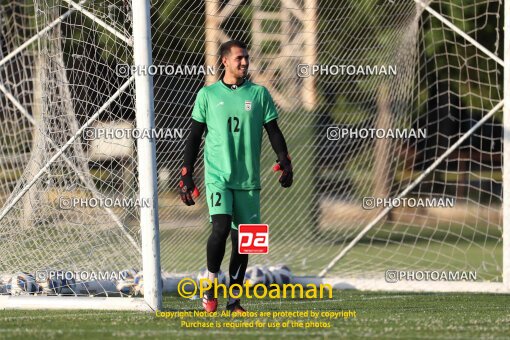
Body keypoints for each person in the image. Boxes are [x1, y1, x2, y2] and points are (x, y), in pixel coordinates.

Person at [179, 40, 293, 313]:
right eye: (239, 58)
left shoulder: (259, 94)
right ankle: (209, 284)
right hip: (218, 176)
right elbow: (194, 137)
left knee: (245, 241)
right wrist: (186, 174)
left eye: (246, 58)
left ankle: (234, 301)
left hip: (249, 180)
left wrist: (284, 160)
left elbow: (273, 131)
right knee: (220, 228)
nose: (244, 62)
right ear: (224, 62)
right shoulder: (207, 95)